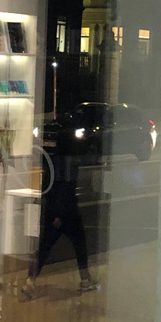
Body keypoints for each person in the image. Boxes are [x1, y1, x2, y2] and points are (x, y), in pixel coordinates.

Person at [24, 122, 97, 296]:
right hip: (67, 211)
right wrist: (60, 214)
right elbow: (65, 188)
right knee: (80, 244)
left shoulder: (52, 161)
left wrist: (54, 212)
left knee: (45, 247)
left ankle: (30, 280)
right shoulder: (69, 162)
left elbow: (49, 188)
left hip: (53, 209)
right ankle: (85, 279)